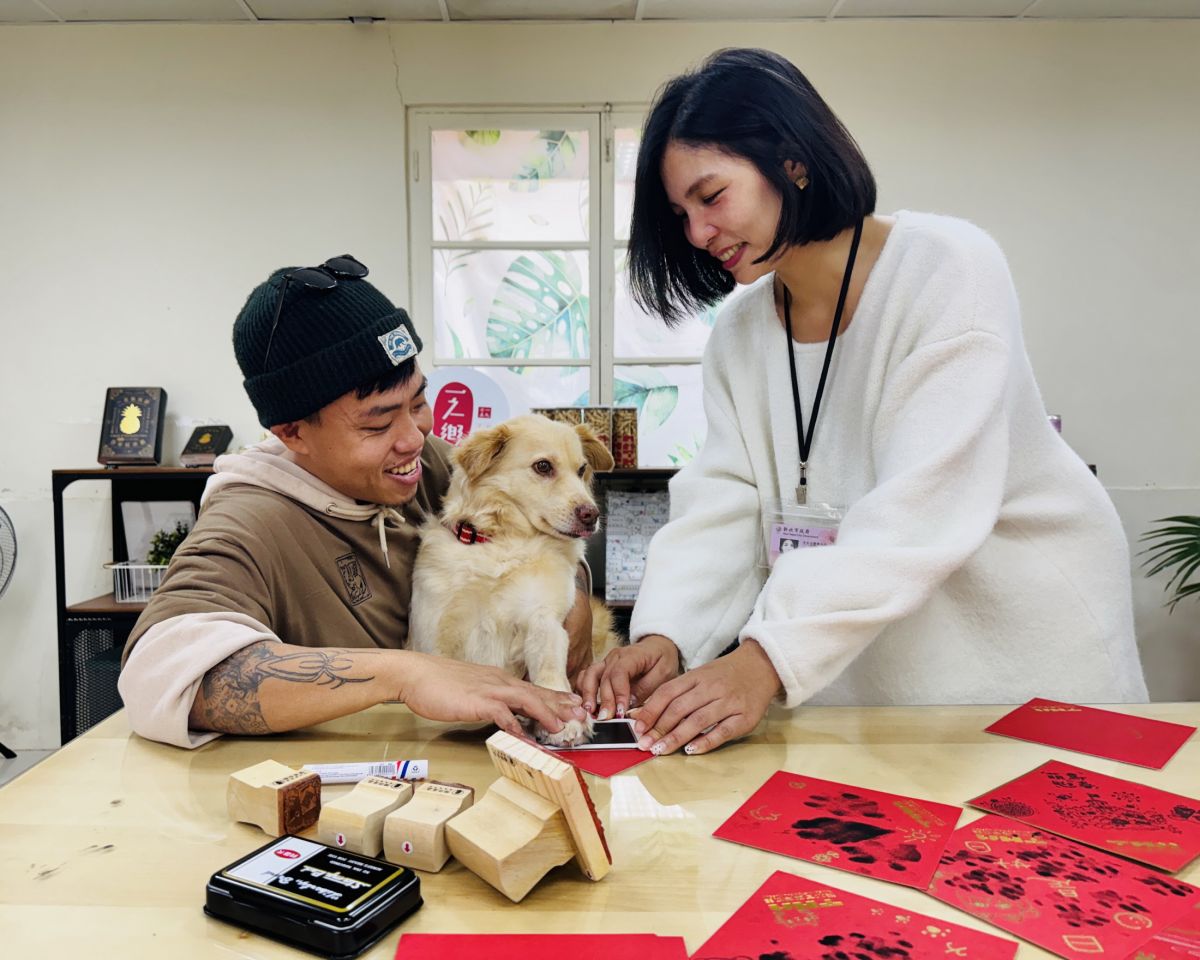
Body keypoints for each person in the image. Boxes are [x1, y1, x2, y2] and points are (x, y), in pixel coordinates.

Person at [580, 48, 1147, 757]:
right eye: (680, 212)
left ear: (792, 163)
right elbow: (724, 501)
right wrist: (666, 634)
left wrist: (761, 661)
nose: (696, 233)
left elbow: (917, 513)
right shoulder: (741, 332)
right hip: (884, 674)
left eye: (711, 196)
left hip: (1024, 656)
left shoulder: (948, 270)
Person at [119, 255, 592, 748]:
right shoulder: (249, 523)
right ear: (293, 432)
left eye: (417, 402)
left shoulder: (426, 467)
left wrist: (570, 600)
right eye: (377, 423)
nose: (414, 438)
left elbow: (541, 527)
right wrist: (404, 676)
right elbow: (161, 675)